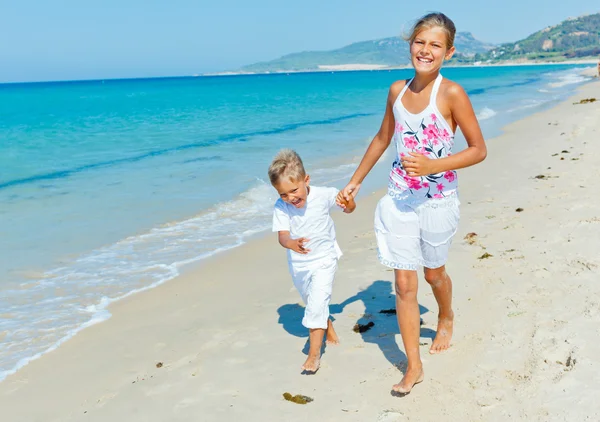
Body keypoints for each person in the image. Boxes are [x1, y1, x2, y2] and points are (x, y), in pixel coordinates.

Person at [337, 12, 487, 394]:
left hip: (438, 201)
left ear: (448, 52)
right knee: (404, 284)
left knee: (433, 274)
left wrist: (434, 165)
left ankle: (446, 314)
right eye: (420, 42)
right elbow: (382, 137)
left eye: (435, 45)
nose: (426, 50)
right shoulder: (396, 91)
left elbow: (478, 150)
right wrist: (354, 183)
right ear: (410, 45)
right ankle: (413, 366)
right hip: (400, 199)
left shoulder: (451, 94)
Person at [269, 149, 355, 373]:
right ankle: (328, 326)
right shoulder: (281, 207)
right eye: (283, 194)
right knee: (313, 301)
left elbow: (348, 208)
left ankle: (314, 354)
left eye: (294, 190)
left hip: (325, 258)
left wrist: (349, 204)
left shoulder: (324, 195)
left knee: (317, 301)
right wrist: (291, 244)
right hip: (299, 264)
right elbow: (282, 236)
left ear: (306, 180)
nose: (290, 198)